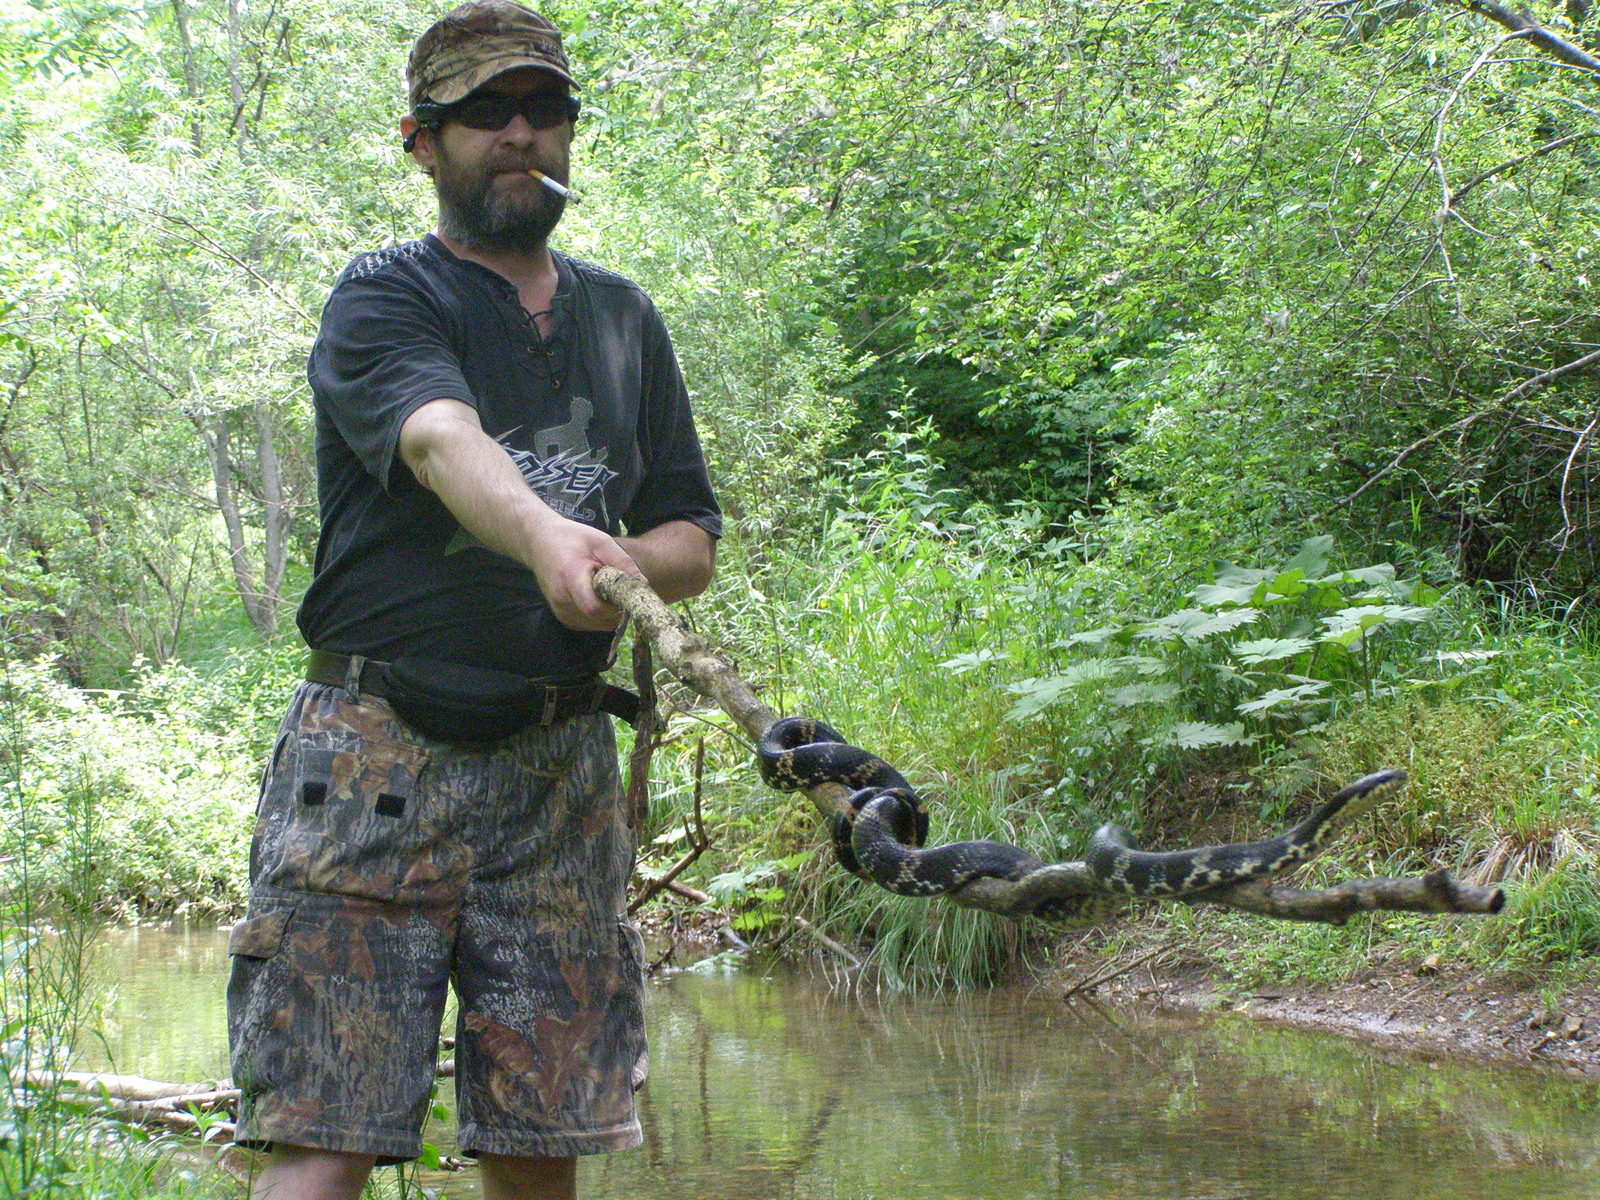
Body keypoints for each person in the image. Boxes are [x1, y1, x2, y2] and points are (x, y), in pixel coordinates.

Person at [224, 3, 721, 1197]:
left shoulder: (623, 317)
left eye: (543, 111)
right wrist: (551, 538)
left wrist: (623, 568)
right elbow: (442, 439)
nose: (518, 136)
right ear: (421, 141)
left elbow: (693, 535)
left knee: (546, 1147)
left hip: (560, 775)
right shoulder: (386, 295)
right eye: (483, 115)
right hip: (371, 767)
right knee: (324, 1140)